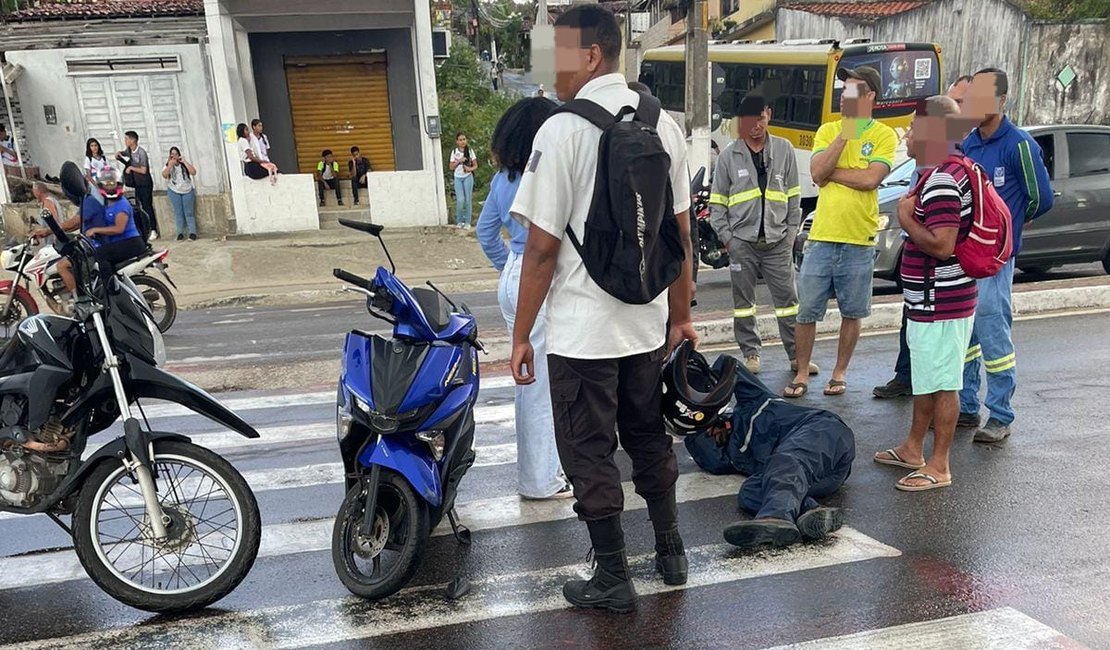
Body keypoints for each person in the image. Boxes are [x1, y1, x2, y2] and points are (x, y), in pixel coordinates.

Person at [508, 4, 696, 613]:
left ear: (591, 54)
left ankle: (612, 575)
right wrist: (680, 317)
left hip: (584, 333)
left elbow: (540, 250)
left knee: (588, 450)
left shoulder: (560, 131)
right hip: (644, 322)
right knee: (648, 436)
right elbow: (682, 236)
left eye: (557, 52)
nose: (551, 67)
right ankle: (671, 553)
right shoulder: (662, 124)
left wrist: (519, 336)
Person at [873, 95, 976, 491]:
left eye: (914, 127)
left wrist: (904, 219)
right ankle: (914, 448)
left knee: (944, 382)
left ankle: (939, 464)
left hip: (943, 301)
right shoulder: (941, 173)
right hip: (930, 301)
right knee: (926, 377)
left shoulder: (945, 180)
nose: (909, 134)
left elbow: (943, 244)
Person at [666, 342, 854, 548]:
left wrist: (701, 391)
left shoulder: (753, 401)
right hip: (821, 478)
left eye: (709, 428)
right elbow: (706, 455)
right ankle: (810, 513)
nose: (711, 436)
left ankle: (777, 517)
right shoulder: (730, 457)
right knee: (749, 492)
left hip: (823, 432)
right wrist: (690, 421)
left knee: (787, 460)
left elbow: (729, 365)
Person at [476, 96, 571, 501]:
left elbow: (484, 233)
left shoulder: (502, 179)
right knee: (540, 386)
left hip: (515, 276)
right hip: (538, 279)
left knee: (527, 383)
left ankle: (542, 472)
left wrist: (509, 267)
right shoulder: (542, 176)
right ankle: (541, 480)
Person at [785, 67, 897, 399]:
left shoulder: (883, 135)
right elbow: (818, 173)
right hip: (822, 236)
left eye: (852, 91)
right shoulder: (829, 130)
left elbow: (870, 180)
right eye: (843, 91)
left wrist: (835, 174)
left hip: (859, 238)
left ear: (869, 97)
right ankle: (802, 371)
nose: (844, 97)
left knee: (852, 311)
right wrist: (846, 134)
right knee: (807, 310)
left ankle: (839, 371)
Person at [957, 68, 1054, 443]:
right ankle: (966, 406)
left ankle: (1000, 415)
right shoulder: (969, 143)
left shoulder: (1019, 145)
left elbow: (1041, 199)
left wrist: (1010, 224)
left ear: (1001, 100)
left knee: (994, 335)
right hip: (966, 257)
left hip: (995, 262)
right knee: (966, 337)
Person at [709, 91, 816, 377]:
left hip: (778, 240)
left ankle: (797, 356)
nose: (755, 125)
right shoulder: (729, 156)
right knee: (744, 304)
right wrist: (727, 238)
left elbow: (794, 197)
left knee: (788, 301)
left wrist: (791, 233)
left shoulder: (784, 150)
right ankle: (751, 353)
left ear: (768, 114)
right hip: (741, 242)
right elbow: (717, 202)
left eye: (760, 117)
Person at [33, 169, 145, 293]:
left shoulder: (94, 200)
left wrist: (47, 231)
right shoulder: (98, 198)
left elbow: (73, 223)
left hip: (119, 243)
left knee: (63, 265)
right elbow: (78, 224)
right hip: (107, 242)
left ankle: (84, 299)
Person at [115, 130, 159, 241]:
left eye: (127, 139)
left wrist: (131, 168)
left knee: (147, 206)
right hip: (137, 184)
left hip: (145, 183)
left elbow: (144, 170)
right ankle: (144, 228)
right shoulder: (129, 150)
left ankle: (154, 229)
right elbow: (124, 154)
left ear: (133, 140)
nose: (125, 141)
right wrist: (119, 154)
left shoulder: (141, 153)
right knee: (139, 206)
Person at [162, 146, 198, 241]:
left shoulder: (184, 165)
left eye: (176, 154)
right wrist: (170, 165)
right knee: (178, 213)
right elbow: (164, 175)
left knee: (189, 212)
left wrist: (184, 162)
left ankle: (192, 233)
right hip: (174, 191)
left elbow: (193, 172)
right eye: (172, 154)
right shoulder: (167, 165)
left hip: (187, 190)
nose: (174, 156)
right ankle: (180, 233)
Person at [449, 133, 478, 229]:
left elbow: (475, 165)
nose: (462, 142)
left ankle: (467, 222)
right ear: (457, 141)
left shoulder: (470, 151)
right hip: (458, 177)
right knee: (460, 200)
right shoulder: (454, 152)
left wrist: (469, 169)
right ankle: (459, 220)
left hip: (467, 176)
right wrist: (459, 161)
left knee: (468, 199)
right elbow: (451, 167)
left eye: (464, 139)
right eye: (460, 140)